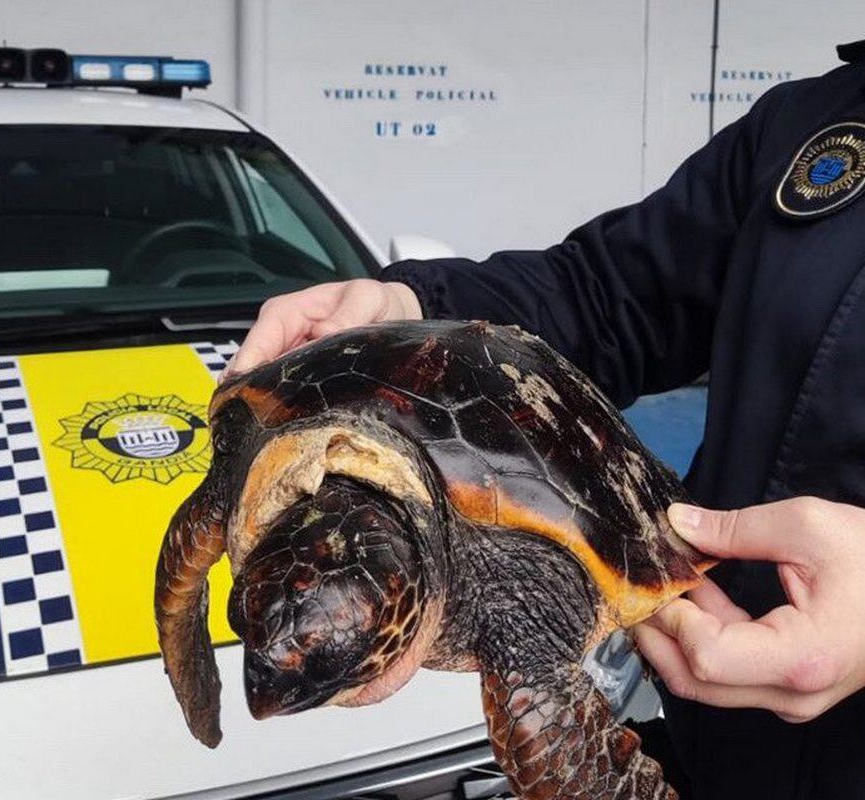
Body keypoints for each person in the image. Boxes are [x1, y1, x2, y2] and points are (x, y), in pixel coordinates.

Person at [223, 40, 865, 800]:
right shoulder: (815, 119)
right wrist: (412, 310)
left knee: (547, 737)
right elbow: (609, 294)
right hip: (710, 724)